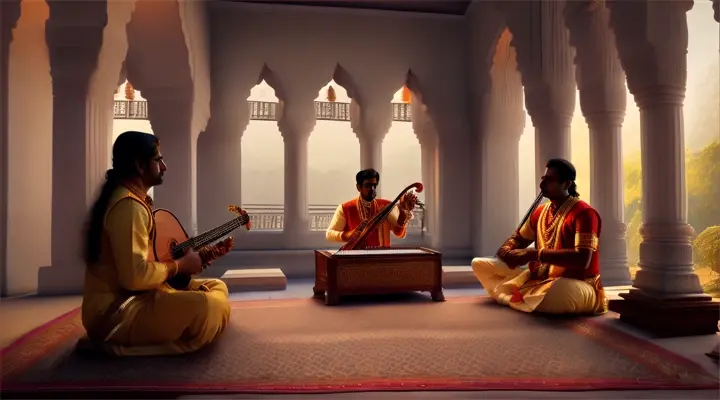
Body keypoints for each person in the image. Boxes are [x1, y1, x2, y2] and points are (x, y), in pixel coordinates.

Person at [80, 131, 231, 356]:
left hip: (138, 296)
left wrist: (194, 261)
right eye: (158, 160)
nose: (164, 167)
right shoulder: (129, 208)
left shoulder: (131, 200)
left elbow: (149, 259)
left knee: (218, 287)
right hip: (117, 314)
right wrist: (179, 266)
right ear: (141, 165)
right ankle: (120, 350)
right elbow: (134, 277)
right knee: (210, 308)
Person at [471, 158, 608, 315]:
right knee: (480, 264)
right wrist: (507, 252)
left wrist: (533, 255)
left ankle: (509, 297)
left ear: (567, 184)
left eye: (549, 180)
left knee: (556, 291)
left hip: (578, 284)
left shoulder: (584, 213)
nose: (542, 185)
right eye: (543, 179)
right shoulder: (540, 212)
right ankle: (523, 299)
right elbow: (517, 240)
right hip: (539, 278)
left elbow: (583, 259)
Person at [326, 168, 418, 248]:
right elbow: (329, 234)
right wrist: (348, 235)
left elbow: (399, 234)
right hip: (356, 260)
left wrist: (402, 212)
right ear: (359, 187)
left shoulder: (386, 205)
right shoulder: (345, 208)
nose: (372, 189)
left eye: (374, 185)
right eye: (368, 186)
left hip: (382, 260)